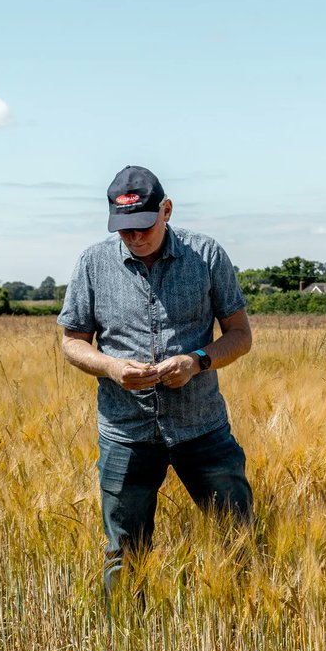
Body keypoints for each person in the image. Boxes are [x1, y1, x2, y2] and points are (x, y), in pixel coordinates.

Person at [57, 165, 254, 595]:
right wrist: (112, 367)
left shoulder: (207, 256)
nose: (135, 238)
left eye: (143, 226)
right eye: (124, 230)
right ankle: (124, 647)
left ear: (166, 210)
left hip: (202, 426)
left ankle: (239, 638)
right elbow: (72, 341)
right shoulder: (93, 262)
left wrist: (197, 361)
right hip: (126, 431)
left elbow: (240, 336)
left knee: (237, 542)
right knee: (125, 556)